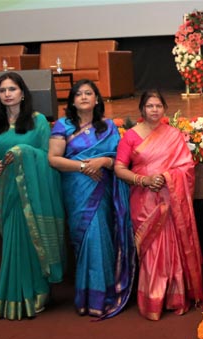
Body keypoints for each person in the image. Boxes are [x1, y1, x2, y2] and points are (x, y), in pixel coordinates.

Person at [0, 72, 66, 320]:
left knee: (31, 238)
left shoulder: (37, 121)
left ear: (22, 92)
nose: (7, 94)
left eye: (12, 89)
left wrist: (23, 150)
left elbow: (46, 157)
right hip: (7, 190)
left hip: (34, 191)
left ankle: (39, 290)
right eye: (2, 90)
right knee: (12, 241)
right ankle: (14, 293)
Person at [48, 79, 136, 319]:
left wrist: (104, 162)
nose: (84, 97)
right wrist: (85, 165)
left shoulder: (107, 127)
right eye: (79, 94)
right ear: (73, 101)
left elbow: (118, 158)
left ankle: (102, 297)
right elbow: (54, 159)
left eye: (89, 93)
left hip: (102, 189)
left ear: (97, 99)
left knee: (101, 236)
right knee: (85, 238)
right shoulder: (62, 126)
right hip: (77, 188)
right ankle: (88, 297)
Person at [113, 90, 203, 321]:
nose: (154, 110)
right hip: (143, 201)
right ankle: (153, 299)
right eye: (150, 106)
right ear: (142, 109)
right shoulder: (130, 136)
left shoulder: (173, 135)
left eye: (158, 106)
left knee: (172, 247)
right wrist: (143, 180)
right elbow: (119, 168)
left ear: (164, 109)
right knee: (152, 250)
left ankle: (174, 298)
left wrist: (168, 177)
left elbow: (187, 167)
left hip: (170, 199)